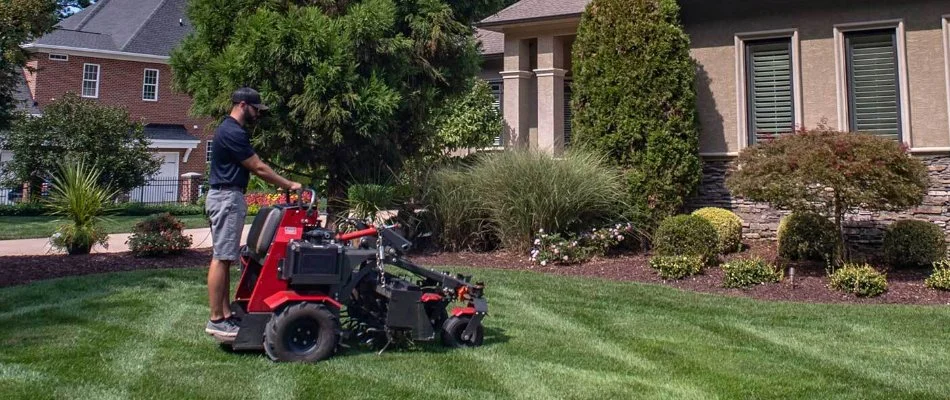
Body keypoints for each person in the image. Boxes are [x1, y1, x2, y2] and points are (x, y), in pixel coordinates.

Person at [204, 87, 301, 338]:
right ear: (243, 104)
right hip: (227, 197)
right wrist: (289, 184)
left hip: (226, 195)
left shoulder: (230, 129)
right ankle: (216, 318)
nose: (258, 113)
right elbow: (258, 167)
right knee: (221, 257)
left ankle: (225, 315)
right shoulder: (232, 131)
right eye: (256, 108)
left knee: (225, 257)